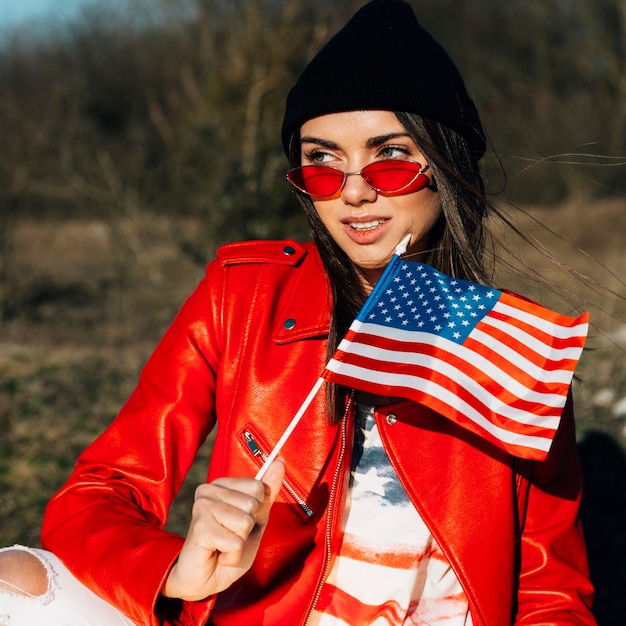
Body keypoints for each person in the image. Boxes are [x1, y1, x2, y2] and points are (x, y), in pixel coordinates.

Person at [0, 1, 596, 624]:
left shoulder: (517, 349)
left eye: (389, 157)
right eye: (323, 161)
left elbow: (551, 593)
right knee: (14, 579)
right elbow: (96, 495)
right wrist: (177, 571)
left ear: (445, 165)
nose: (355, 188)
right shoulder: (244, 297)